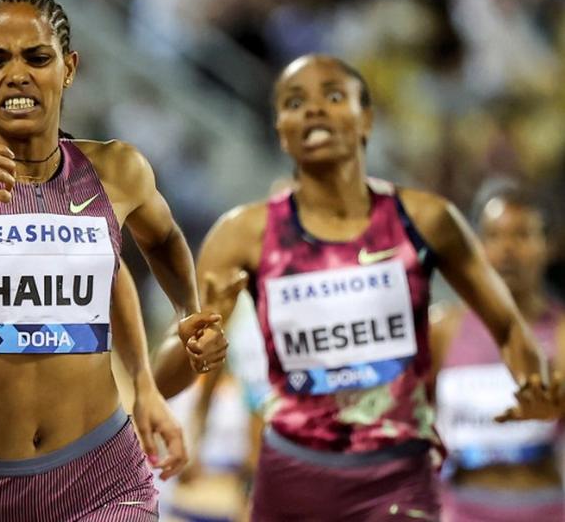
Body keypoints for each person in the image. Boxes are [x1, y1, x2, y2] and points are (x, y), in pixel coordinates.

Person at [153, 54, 555, 521]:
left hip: (398, 479)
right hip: (292, 478)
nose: (313, 109)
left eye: (333, 96)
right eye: (295, 102)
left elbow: (510, 327)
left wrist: (532, 383)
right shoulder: (241, 234)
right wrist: (192, 351)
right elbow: (162, 376)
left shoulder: (428, 221)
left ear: (367, 118)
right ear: (280, 129)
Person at [0, 0, 225, 521]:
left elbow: (163, 239)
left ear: (69, 68)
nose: (17, 74)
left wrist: (188, 312)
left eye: (37, 57)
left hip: (105, 479)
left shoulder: (117, 171)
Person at [432, 182, 565, 521]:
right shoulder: (442, 330)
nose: (507, 249)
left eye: (522, 235)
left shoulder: (562, 333)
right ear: (476, 246)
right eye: (494, 235)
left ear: (549, 245)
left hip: (544, 509)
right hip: (460, 509)